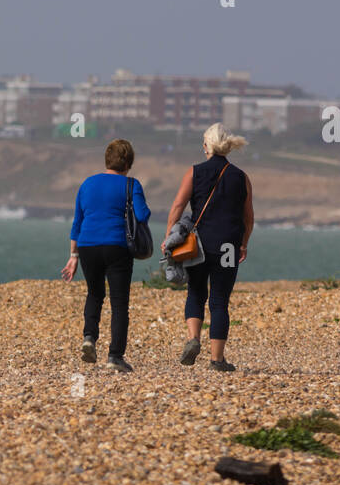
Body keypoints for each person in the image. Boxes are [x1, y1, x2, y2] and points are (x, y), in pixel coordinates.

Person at [166, 123, 254, 372]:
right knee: (219, 301)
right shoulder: (241, 177)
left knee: (195, 293)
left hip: (199, 244)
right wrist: (244, 243)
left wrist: (169, 236)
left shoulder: (194, 172)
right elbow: (248, 217)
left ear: (206, 145)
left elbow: (177, 206)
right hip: (228, 246)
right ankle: (217, 360)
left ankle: (194, 339)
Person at [61, 138, 150, 372]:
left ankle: (89, 337)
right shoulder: (132, 185)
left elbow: (77, 222)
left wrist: (73, 256)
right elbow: (142, 216)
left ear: (107, 160)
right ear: (129, 162)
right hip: (116, 246)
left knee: (94, 293)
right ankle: (115, 357)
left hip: (87, 245)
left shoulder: (87, 184)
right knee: (119, 302)